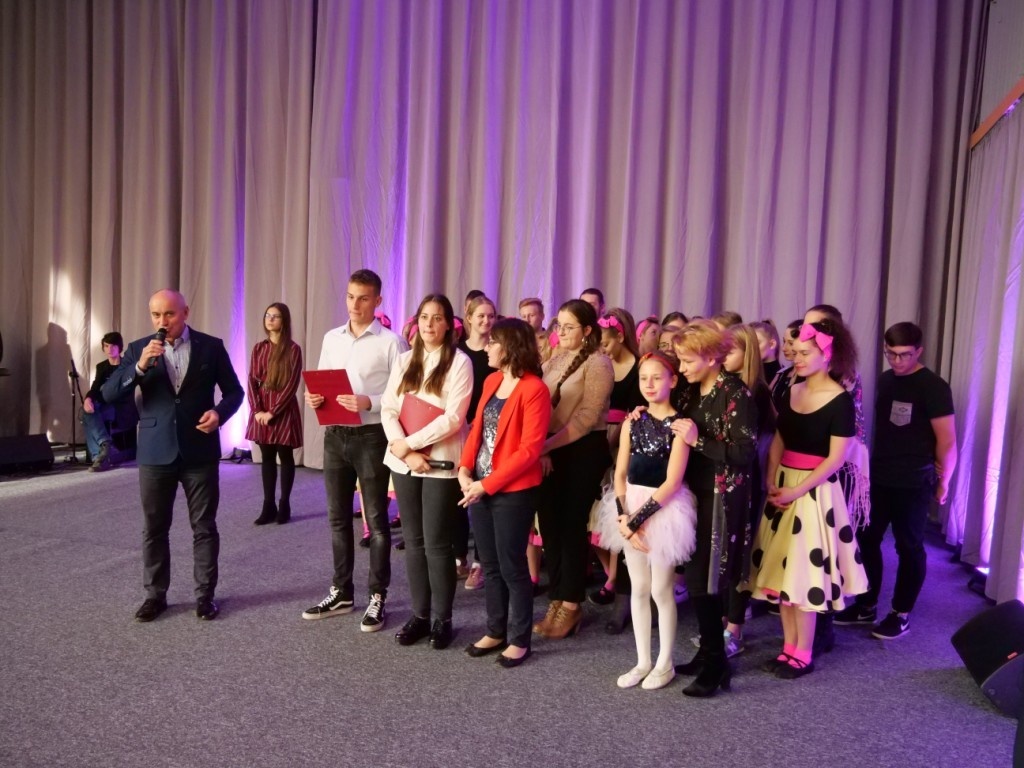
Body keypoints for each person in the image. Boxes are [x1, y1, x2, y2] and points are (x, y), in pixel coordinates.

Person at [102, 290, 243, 622]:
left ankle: (205, 596)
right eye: (156, 315)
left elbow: (235, 392)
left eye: (169, 314)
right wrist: (138, 367)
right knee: (154, 528)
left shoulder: (211, 346)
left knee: (204, 526)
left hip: (199, 450)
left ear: (185, 312)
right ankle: (155, 595)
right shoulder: (138, 349)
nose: (162, 322)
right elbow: (109, 393)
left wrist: (219, 413)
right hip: (155, 451)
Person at [743, 319, 870, 678]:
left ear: (827, 354)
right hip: (784, 484)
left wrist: (796, 490)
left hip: (814, 493)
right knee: (783, 575)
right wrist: (771, 477)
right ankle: (788, 647)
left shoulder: (840, 400)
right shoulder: (791, 390)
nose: (795, 359)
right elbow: (780, 437)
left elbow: (835, 459)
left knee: (804, 575)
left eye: (804, 353)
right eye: (795, 353)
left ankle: (803, 652)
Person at [835, 322, 957, 640]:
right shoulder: (886, 380)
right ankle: (866, 605)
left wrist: (944, 482)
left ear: (919, 351)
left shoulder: (934, 386)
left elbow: (947, 440)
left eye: (904, 354)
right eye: (891, 353)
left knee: (908, 546)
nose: (897, 360)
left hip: (915, 480)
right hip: (881, 474)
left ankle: (900, 614)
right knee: (866, 538)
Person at [301, 269, 407, 632]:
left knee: (376, 521)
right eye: (350, 297)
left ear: (377, 301)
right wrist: (314, 397)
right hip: (335, 434)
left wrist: (369, 401)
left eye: (363, 298)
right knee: (337, 518)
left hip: (372, 436)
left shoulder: (392, 342)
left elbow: (402, 394)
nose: (354, 305)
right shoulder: (332, 337)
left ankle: (378, 594)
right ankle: (341, 591)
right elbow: (322, 380)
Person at [595, 352, 697, 690]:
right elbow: (620, 472)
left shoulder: (679, 426)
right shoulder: (632, 422)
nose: (649, 384)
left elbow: (672, 482)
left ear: (673, 380)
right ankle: (642, 661)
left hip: (663, 510)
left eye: (657, 377)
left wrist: (637, 520)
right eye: (643, 378)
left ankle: (665, 663)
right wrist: (624, 516)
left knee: (660, 589)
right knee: (638, 587)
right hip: (630, 506)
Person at [668, 320, 757, 697]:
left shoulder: (735, 392)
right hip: (693, 492)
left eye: (688, 360)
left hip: (722, 496)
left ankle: (717, 663)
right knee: (695, 576)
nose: (682, 367)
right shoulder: (691, 390)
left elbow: (744, 452)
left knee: (706, 580)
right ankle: (708, 652)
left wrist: (697, 440)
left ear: (710, 358)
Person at [381, 294, 473, 650]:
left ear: (448, 324)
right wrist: (404, 450)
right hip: (404, 461)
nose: (429, 324)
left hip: (440, 462)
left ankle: (442, 619)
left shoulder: (460, 362)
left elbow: (454, 418)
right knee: (414, 541)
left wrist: (411, 445)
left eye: (437, 318)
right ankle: (420, 615)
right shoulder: (405, 359)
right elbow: (389, 408)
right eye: (424, 317)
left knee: (436, 543)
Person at [459, 318, 552, 667]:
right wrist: (464, 469)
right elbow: (476, 431)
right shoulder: (492, 380)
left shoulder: (534, 389)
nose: (486, 347)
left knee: (512, 566)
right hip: (479, 485)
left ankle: (519, 639)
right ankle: (495, 630)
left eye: (492, 342)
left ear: (510, 346)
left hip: (512, 491)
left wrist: (486, 484)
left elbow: (529, 451)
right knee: (490, 564)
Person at [534, 299, 614, 639]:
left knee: (570, 526)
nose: (561, 332)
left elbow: (586, 417)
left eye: (569, 327)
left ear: (587, 330)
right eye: (559, 326)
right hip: (551, 449)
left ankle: (571, 603)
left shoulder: (599, 362)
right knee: (549, 525)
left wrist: (546, 446)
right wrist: (542, 445)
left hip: (581, 450)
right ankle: (556, 597)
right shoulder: (554, 359)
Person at [246, 302, 303, 525]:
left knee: (285, 456)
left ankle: (284, 504)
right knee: (267, 457)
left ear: (284, 320)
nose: (270, 319)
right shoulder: (258, 348)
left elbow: (292, 384)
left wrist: (273, 412)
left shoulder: (293, 349)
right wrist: (257, 410)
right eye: (267, 315)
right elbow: (251, 381)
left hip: (283, 408)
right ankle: (268, 505)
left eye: (275, 316)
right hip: (261, 408)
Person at [457, 295, 498, 589]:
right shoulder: (457, 351)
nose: (486, 321)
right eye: (481, 316)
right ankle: (458, 556)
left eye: (491, 316)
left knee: (482, 498)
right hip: (460, 429)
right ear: (469, 317)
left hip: (488, 433)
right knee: (458, 496)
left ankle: (479, 563)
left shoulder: (497, 351)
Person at [82, 331, 124, 471]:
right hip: (105, 404)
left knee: (87, 415)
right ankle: (104, 448)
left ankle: (98, 455)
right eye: (106, 346)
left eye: (113, 346)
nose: (109, 349)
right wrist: (88, 399)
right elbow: (95, 387)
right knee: (87, 410)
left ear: (119, 347)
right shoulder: (102, 367)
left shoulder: (126, 365)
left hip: (121, 405)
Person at [751, 320, 782, 384]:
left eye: (757, 343)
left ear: (772, 344)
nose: (752, 347)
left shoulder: (781, 377)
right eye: (749, 343)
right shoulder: (750, 372)